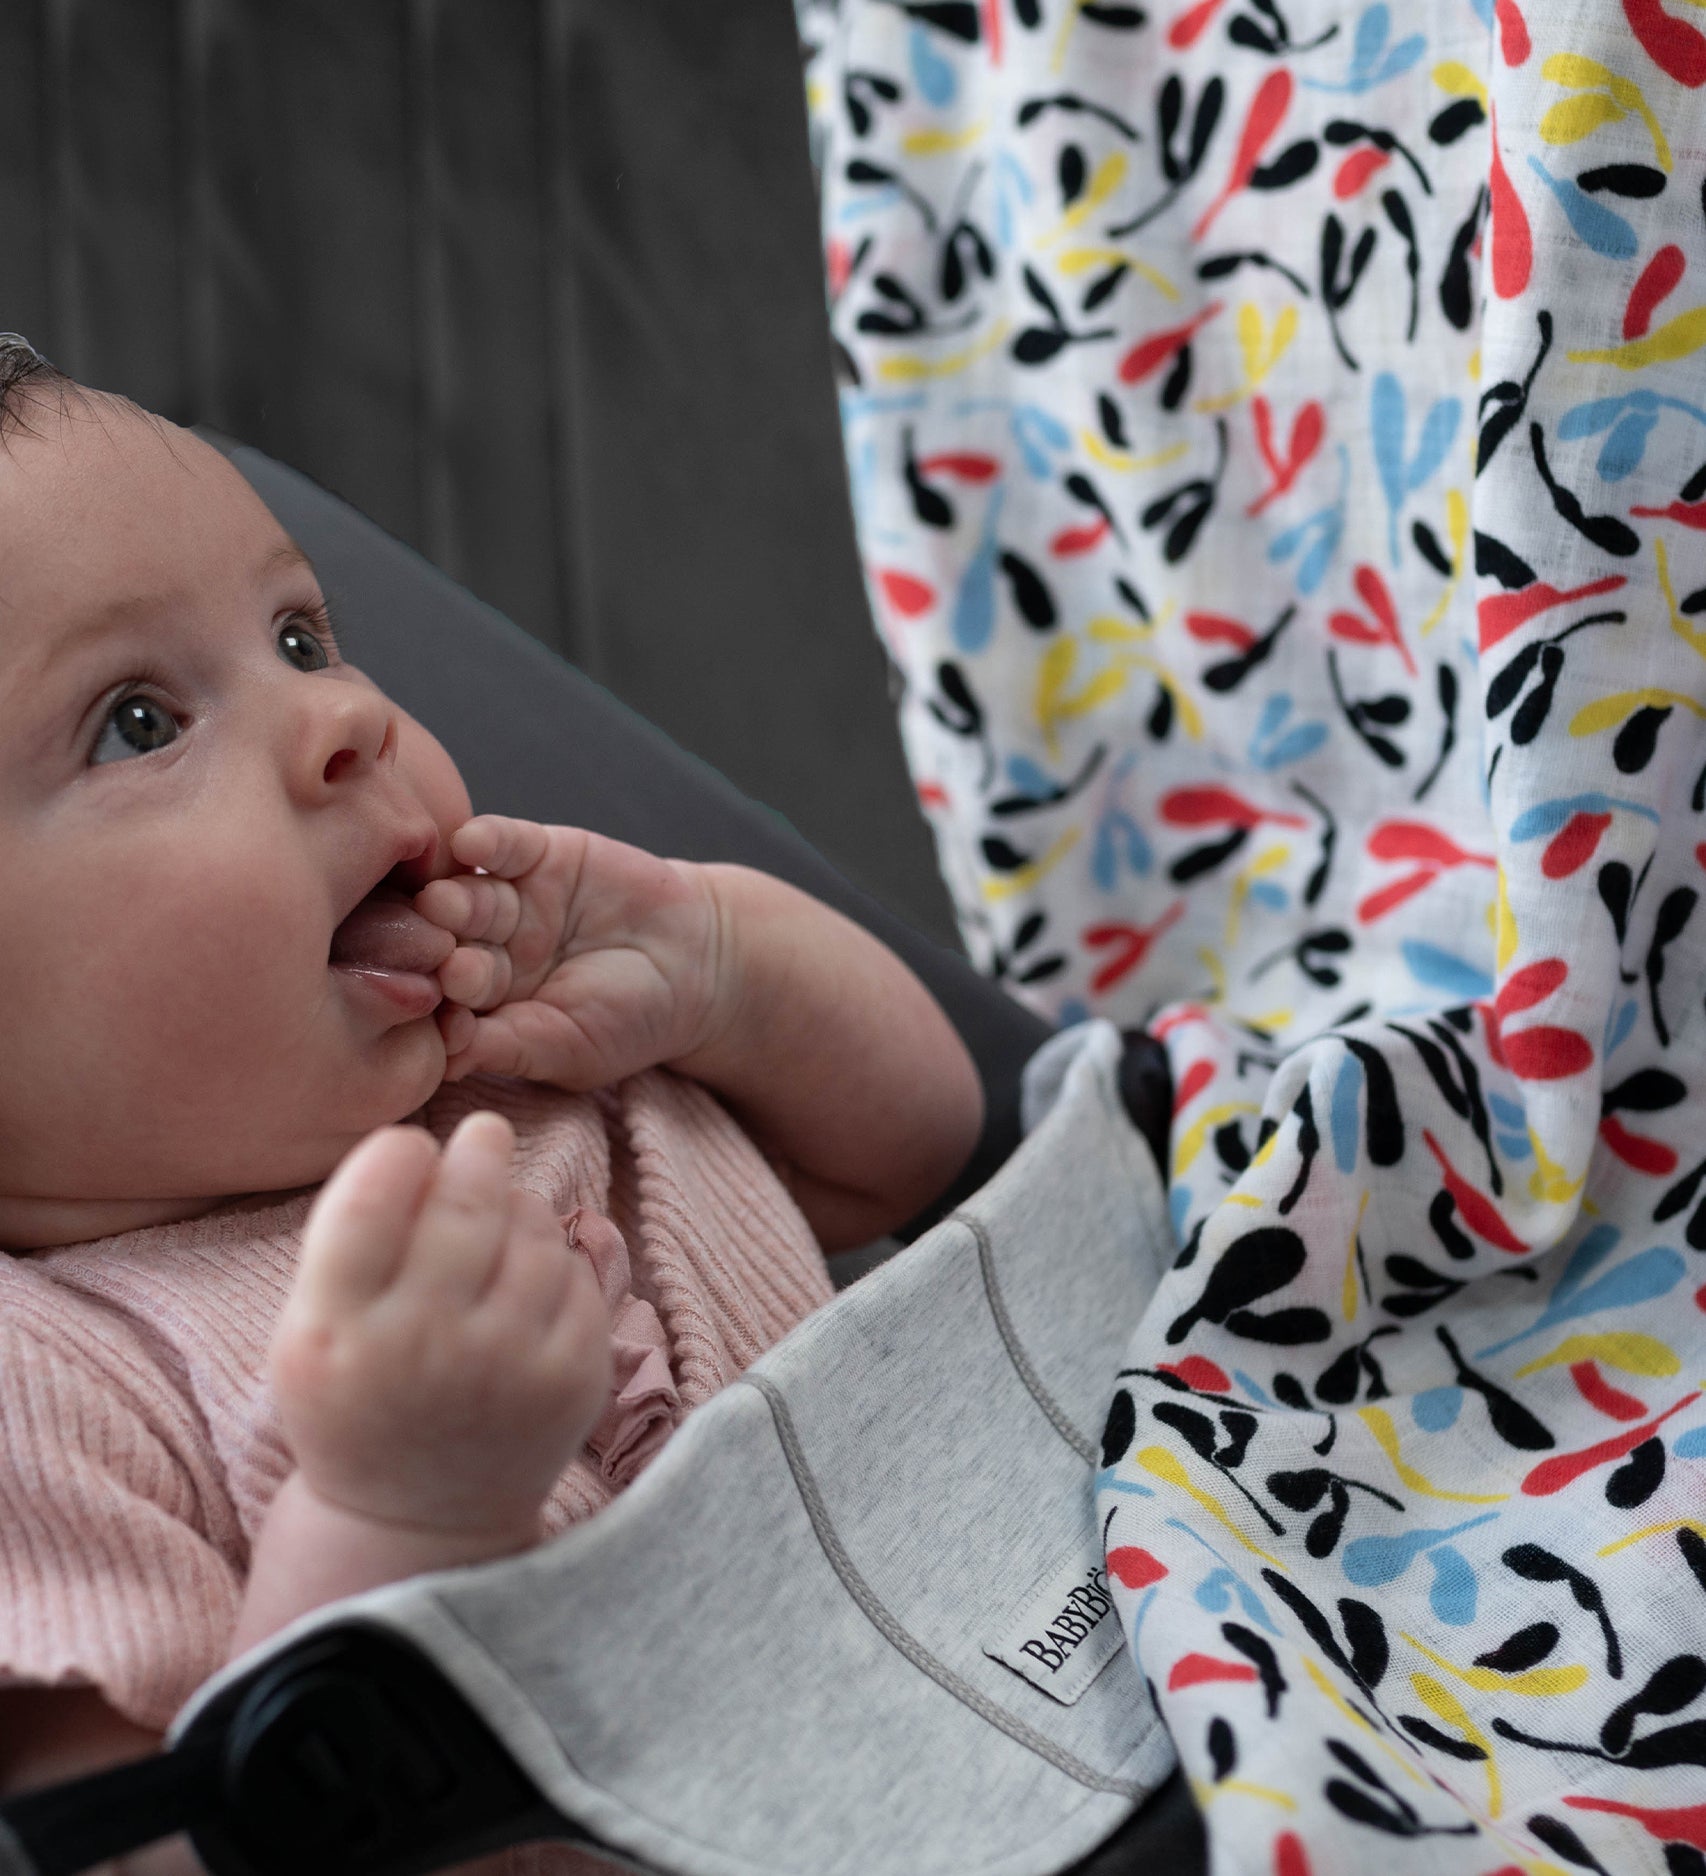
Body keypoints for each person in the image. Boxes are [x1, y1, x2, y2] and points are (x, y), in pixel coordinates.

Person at [0, 343, 984, 1870]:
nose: (347, 724)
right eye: (137, 720)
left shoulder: (536, 1040)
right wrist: (392, 1508)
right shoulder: (45, 1391)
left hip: (1044, 1691)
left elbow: (916, 1153)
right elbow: (163, 1854)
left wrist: (722, 965)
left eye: (303, 636)